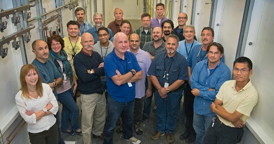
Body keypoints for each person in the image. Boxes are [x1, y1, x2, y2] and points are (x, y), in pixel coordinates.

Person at [203, 57, 258, 144]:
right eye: (236, 69)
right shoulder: (227, 84)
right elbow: (216, 103)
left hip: (231, 131)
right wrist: (231, 118)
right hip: (216, 123)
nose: (239, 73)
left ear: (250, 72)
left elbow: (231, 116)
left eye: (243, 70)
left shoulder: (252, 94)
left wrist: (215, 109)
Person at [103, 32, 142, 144]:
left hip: (130, 96)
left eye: (126, 42)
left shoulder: (130, 56)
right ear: (114, 43)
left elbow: (140, 74)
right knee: (111, 124)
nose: (124, 45)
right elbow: (118, 81)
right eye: (120, 42)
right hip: (116, 98)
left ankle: (128, 136)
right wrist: (131, 72)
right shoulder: (109, 59)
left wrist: (123, 77)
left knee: (129, 120)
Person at [148, 34, 188, 144]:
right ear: (165, 44)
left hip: (174, 93)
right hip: (159, 91)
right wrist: (161, 89)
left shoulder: (182, 60)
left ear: (177, 45)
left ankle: (170, 131)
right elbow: (152, 74)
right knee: (160, 111)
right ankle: (160, 130)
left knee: (173, 112)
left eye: (173, 44)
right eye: (169, 43)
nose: (170, 46)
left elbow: (182, 79)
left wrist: (167, 90)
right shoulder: (158, 58)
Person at [191, 42, 231, 144]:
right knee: (198, 130)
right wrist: (208, 90)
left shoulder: (225, 71)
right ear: (207, 53)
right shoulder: (199, 66)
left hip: (212, 110)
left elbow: (219, 94)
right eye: (210, 52)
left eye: (216, 53)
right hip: (197, 107)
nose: (213, 55)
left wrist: (200, 92)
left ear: (221, 55)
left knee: (209, 134)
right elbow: (193, 84)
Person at [73, 32, 106, 144]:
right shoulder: (78, 58)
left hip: (100, 91)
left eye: (90, 41)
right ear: (81, 43)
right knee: (87, 121)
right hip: (88, 95)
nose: (88, 43)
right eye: (85, 41)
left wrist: (92, 70)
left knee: (100, 116)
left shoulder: (96, 55)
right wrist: (97, 70)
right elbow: (85, 77)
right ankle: (87, 141)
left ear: (94, 41)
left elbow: (104, 70)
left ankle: (97, 133)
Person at [15, 64, 59, 144]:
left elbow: (55, 107)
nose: (33, 78)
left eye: (34, 74)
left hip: (52, 127)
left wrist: (36, 114)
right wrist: (46, 109)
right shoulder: (19, 96)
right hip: (36, 133)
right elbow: (30, 119)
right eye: (29, 75)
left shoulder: (45, 87)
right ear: (23, 78)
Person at [31, 39, 64, 144]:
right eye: (40, 49)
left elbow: (60, 78)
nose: (45, 51)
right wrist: (52, 85)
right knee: (50, 135)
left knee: (58, 128)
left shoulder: (49, 61)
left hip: (54, 102)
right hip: (44, 109)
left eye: (46, 48)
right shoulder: (35, 68)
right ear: (34, 51)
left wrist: (52, 84)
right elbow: (44, 89)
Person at [47, 35, 81, 135]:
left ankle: (65, 127)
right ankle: (76, 128)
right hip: (60, 89)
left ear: (61, 44)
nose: (56, 46)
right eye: (53, 44)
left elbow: (69, 68)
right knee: (75, 109)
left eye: (57, 43)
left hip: (69, 85)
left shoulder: (64, 54)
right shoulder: (49, 58)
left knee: (66, 108)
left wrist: (74, 81)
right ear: (50, 46)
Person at [177, 25, 200, 143]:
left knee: (191, 107)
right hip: (180, 77)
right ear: (183, 33)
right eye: (186, 32)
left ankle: (192, 131)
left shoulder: (199, 46)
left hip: (192, 80)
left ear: (194, 33)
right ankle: (186, 129)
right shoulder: (179, 44)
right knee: (185, 106)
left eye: (191, 31)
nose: (189, 33)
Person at [129, 33, 152, 135]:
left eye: (136, 41)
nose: (134, 43)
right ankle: (125, 126)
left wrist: (149, 89)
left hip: (139, 90)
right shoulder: (124, 53)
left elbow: (149, 74)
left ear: (140, 42)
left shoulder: (145, 55)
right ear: (129, 42)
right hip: (126, 91)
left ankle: (137, 125)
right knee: (126, 111)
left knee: (138, 110)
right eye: (132, 41)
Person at [142, 27, 165, 120]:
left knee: (160, 99)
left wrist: (151, 57)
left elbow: (163, 61)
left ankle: (158, 119)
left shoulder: (166, 46)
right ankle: (145, 116)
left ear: (162, 34)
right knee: (147, 97)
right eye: (154, 32)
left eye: (158, 33)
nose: (155, 34)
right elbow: (143, 58)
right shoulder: (146, 45)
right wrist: (156, 57)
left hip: (160, 77)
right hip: (147, 76)